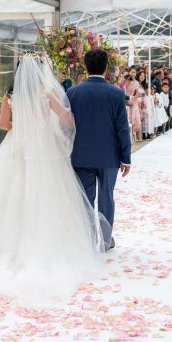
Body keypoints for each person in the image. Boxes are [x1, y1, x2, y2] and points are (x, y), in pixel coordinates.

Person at [0, 54, 107, 303]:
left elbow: (3, 124)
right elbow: (68, 120)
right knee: (48, 193)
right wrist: (47, 126)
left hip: (17, 146)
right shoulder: (46, 93)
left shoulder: (10, 95)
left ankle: (6, 248)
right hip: (44, 147)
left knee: (11, 194)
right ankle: (45, 246)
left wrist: (24, 126)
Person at [67, 49, 132, 251]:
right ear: (106, 68)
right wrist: (126, 157)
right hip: (109, 156)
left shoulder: (73, 93)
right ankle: (105, 240)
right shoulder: (116, 94)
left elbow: (67, 126)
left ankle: (86, 240)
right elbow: (122, 128)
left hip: (81, 155)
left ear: (86, 67)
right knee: (106, 198)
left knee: (85, 200)